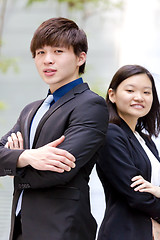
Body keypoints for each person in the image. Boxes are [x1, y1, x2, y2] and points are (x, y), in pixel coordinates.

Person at [0, 17, 108, 240]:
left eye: (58, 51)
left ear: (80, 58)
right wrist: (27, 156)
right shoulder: (30, 110)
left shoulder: (90, 105)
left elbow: (60, 168)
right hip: (21, 229)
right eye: (40, 53)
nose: (47, 60)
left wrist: (14, 166)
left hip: (62, 229)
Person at [96, 64, 160, 240]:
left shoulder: (145, 140)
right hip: (125, 232)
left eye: (147, 92)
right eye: (130, 90)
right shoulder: (110, 133)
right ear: (112, 95)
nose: (139, 97)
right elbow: (137, 195)